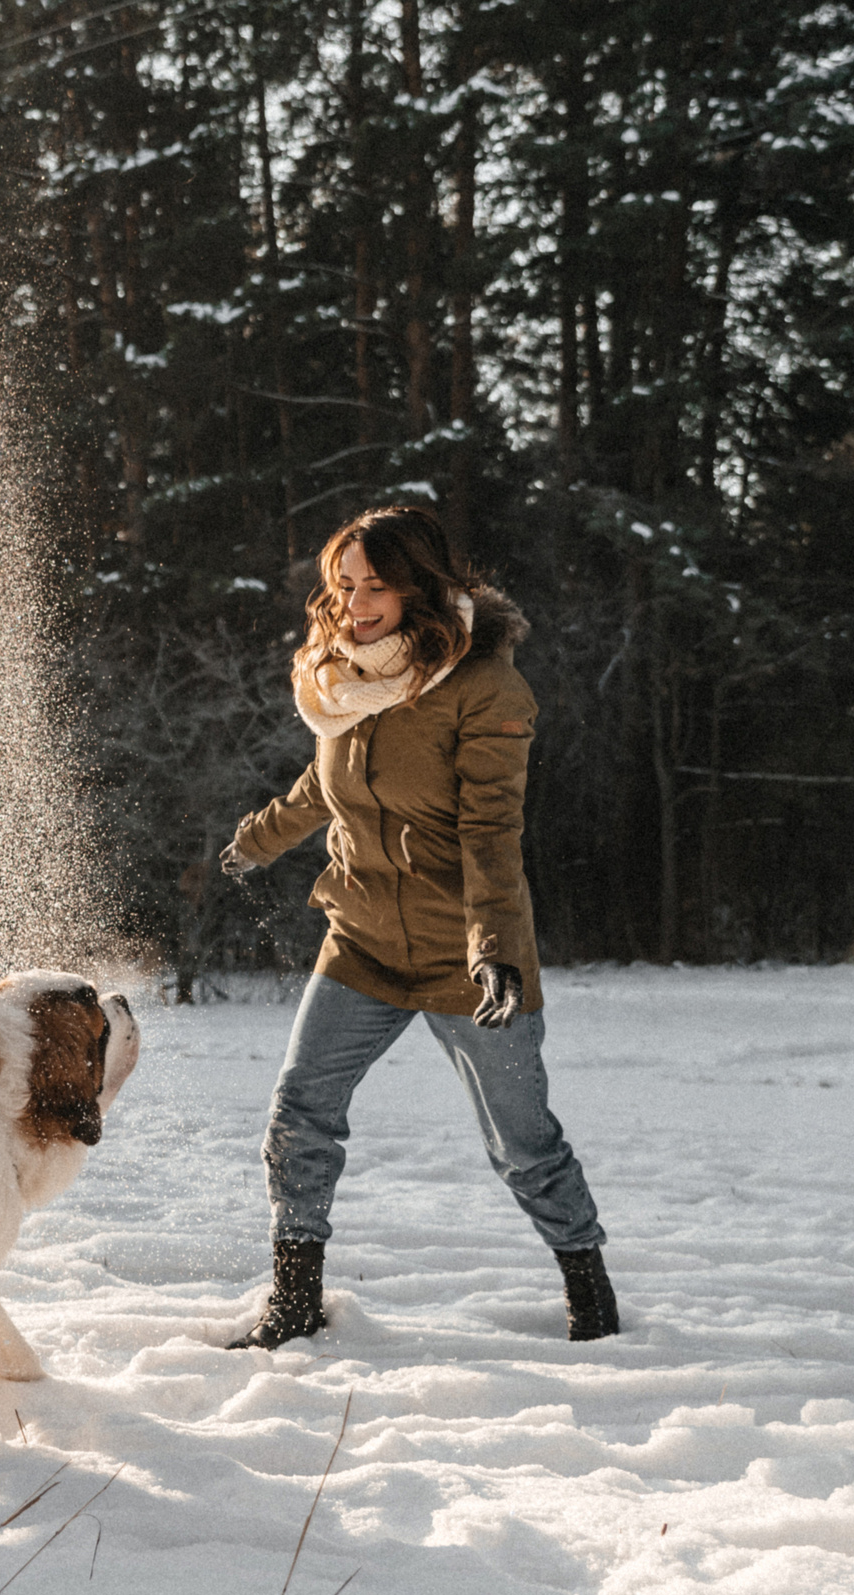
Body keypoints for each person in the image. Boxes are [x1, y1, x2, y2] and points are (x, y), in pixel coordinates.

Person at [220, 505, 619, 1349]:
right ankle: (294, 1303)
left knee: (522, 1143)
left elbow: (490, 833)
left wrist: (494, 950)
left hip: (463, 956)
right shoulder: (345, 678)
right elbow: (321, 787)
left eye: (376, 585)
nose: (356, 603)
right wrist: (255, 841)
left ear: (421, 586)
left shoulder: (484, 687)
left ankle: (590, 1293)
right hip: (359, 939)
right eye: (345, 585)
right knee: (300, 1112)